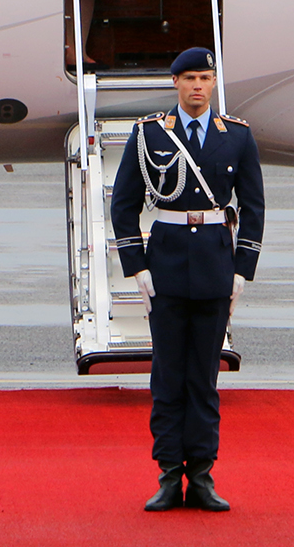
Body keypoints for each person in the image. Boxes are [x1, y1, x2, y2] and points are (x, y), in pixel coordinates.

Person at [110, 47, 264, 512]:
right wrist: (137, 266)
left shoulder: (236, 136)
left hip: (216, 269)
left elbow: (253, 207)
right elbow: (124, 204)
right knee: (167, 377)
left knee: (203, 379)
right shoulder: (150, 134)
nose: (197, 86)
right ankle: (167, 475)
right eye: (189, 78)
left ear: (214, 83)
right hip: (168, 269)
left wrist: (241, 270)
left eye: (205, 77)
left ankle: (202, 477)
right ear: (175, 83)